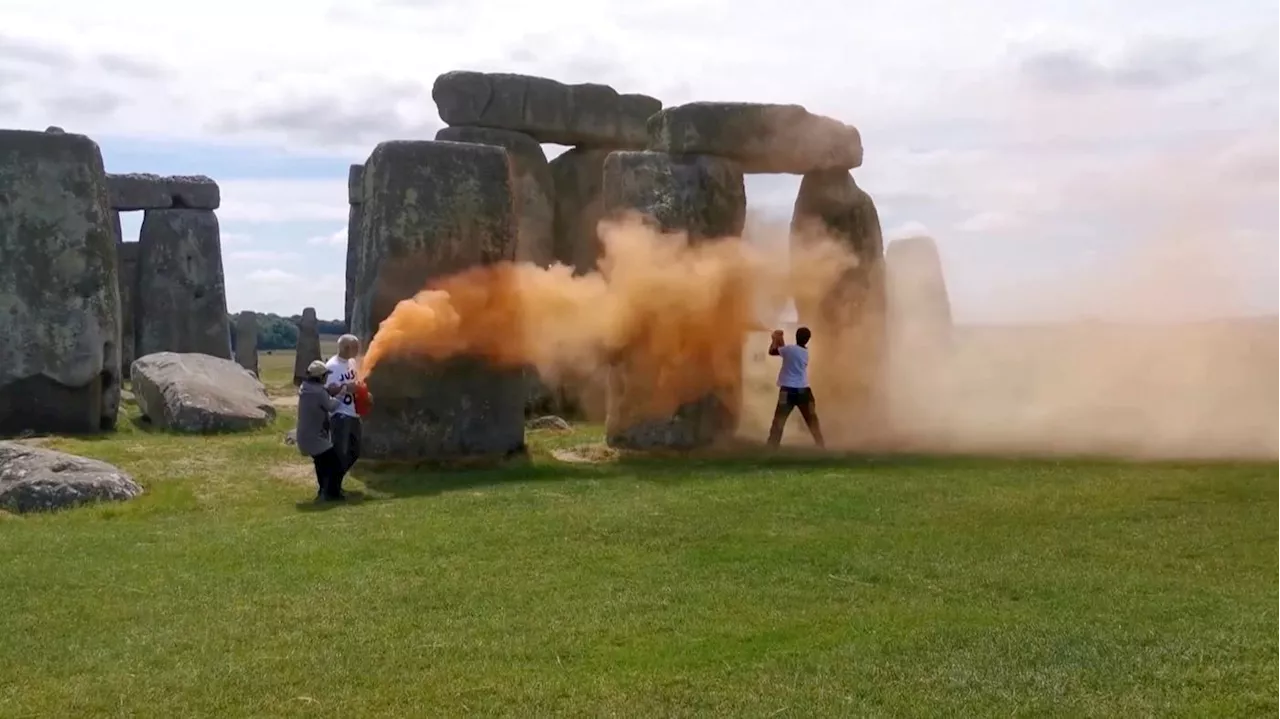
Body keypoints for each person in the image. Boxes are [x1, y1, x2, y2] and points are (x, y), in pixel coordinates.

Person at [297, 359, 351, 501]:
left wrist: (329, 391)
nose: (326, 378)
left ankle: (324, 492)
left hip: (306, 436)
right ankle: (332, 493)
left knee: (322, 464)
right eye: (325, 376)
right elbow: (331, 406)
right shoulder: (318, 392)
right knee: (335, 463)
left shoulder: (306, 388)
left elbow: (321, 396)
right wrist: (342, 393)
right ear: (320, 377)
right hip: (315, 438)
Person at [766, 326, 825, 448]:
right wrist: (780, 338)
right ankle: (820, 444)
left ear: (796, 336)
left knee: (779, 420)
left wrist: (775, 339)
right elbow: (785, 351)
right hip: (803, 391)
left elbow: (773, 351)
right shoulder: (803, 352)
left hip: (787, 391)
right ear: (808, 339)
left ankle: (772, 446)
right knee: (812, 419)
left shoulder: (790, 350)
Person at [324, 335, 364, 474]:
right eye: (355, 348)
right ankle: (332, 487)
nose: (358, 351)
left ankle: (336, 481)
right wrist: (346, 388)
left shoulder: (351, 362)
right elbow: (328, 391)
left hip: (354, 412)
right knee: (339, 453)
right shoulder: (331, 367)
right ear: (346, 348)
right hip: (340, 414)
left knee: (355, 451)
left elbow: (357, 381)